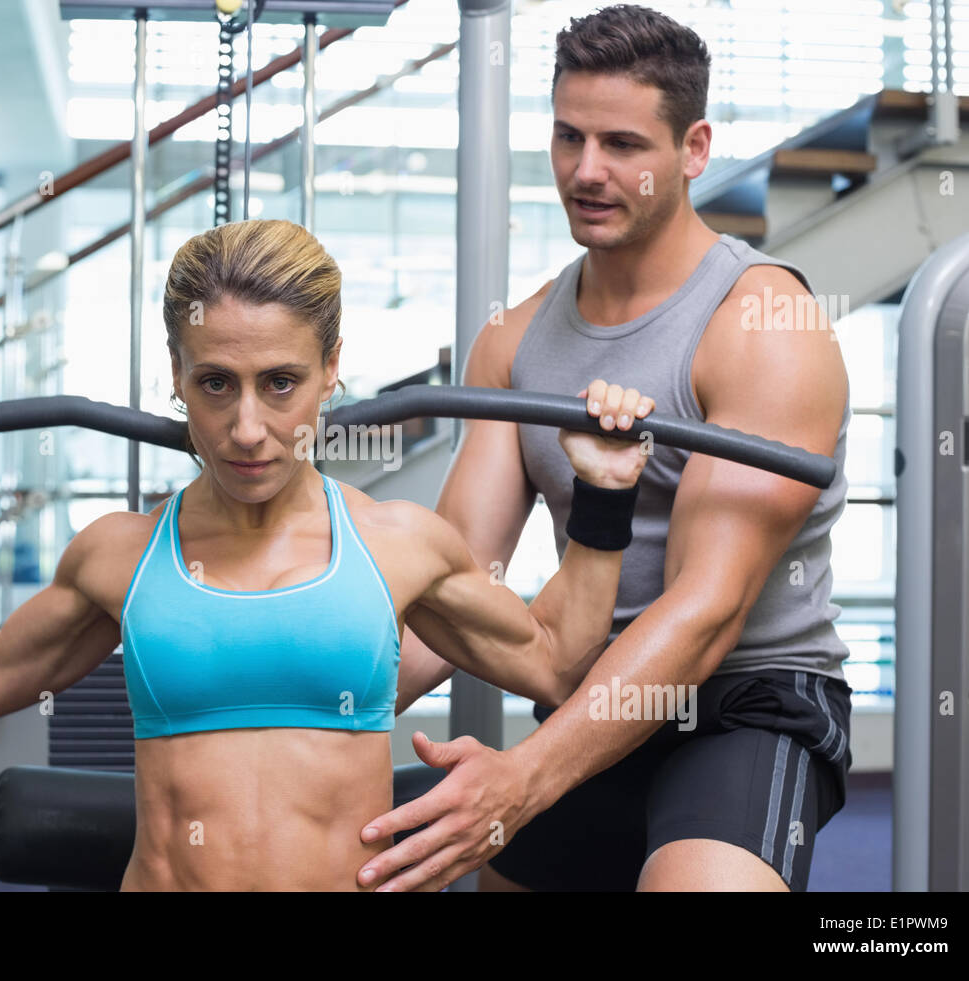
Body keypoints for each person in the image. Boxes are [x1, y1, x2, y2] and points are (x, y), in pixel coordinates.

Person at [0, 217, 656, 891]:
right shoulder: (120, 555)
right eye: (216, 384)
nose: (246, 431)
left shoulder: (397, 544)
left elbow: (554, 661)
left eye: (279, 382)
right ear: (177, 374)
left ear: (332, 368)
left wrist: (607, 493)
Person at [356, 4, 854, 892]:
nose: (587, 171)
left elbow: (705, 612)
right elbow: (463, 580)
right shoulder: (512, 340)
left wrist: (524, 776)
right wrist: (321, 704)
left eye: (623, 144)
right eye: (568, 138)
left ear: (692, 149)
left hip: (745, 700)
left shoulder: (763, 325)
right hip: (584, 692)